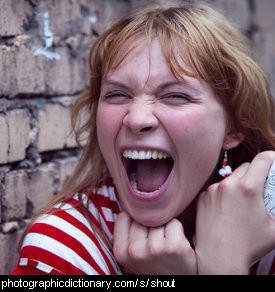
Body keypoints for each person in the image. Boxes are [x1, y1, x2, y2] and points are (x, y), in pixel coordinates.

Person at [12, 1, 275, 275]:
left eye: (175, 96)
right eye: (118, 94)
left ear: (233, 127)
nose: (136, 119)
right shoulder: (62, 249)